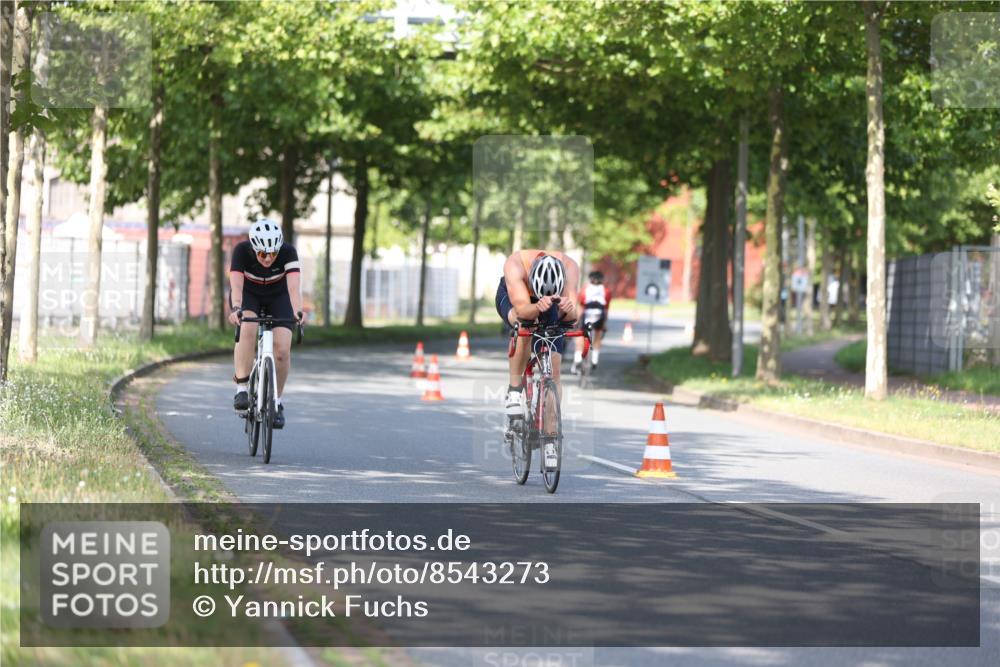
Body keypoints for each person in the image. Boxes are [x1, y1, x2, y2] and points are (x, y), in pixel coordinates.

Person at [228, 218, 304, 429]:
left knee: (282, 351)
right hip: (248, 295)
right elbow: (236, 284)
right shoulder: (242, 251)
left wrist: (298, 311)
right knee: (248, 326)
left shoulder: (288, 252)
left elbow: (293, 289)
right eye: (262, 254)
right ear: (254, 248)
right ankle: (242, 388)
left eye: (273, 253)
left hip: (279, 296)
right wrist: (236, 308)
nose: (269, 258)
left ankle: (277, 402)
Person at [494, 249, 580, 422]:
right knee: (524, 327)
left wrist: (566, 309)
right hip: (517, 299)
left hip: (552, 301)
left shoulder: (570, 267)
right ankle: (515, 391)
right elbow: (523, 311)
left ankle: (549, 440)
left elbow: (573, 318)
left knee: (554, 369)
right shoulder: (515, 265)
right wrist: (536, 307)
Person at [572, 270, 611, 373]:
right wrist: (605, 324)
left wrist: (576, 320)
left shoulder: (585, 290)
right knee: (598, 335)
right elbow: (606, 309)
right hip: (600, 315)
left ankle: (577, 359)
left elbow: (580, 307)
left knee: (580, 336)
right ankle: (594, 359)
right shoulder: (606, 291)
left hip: (587, 315)